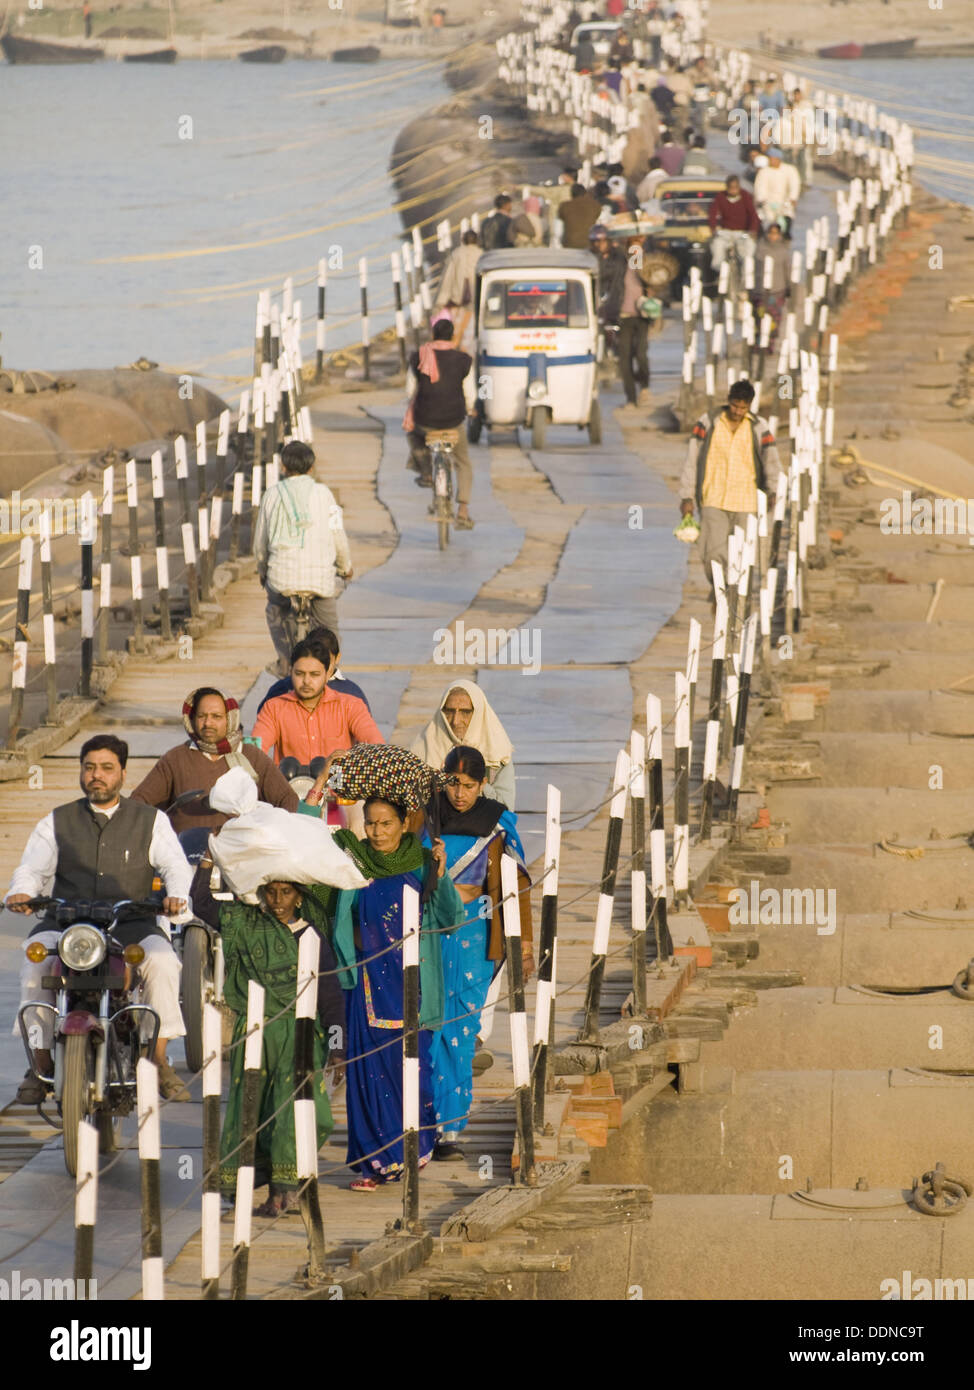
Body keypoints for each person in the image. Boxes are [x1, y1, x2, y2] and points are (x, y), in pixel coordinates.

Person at [6, 734, 193, 1102]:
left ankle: (158, 1059)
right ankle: (40, 1062)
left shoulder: (150, 820)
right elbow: (31, 868)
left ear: (123, 773)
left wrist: (176, 897)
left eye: (107, 768)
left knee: (163, 962)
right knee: (34, 965)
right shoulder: (56, 821)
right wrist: (22, 892)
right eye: (90, 767)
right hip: (65, 926)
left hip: (131, 925)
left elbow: (175, 865)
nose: (97, 776)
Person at [330, 797, 464, 1189]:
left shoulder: (423, 863)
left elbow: (450, 919)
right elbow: (336, 913)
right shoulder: (354, 863)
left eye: (386, 824)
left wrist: (440, 875)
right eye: (371, 824)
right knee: (368, 1074)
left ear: (404, 824)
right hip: (368, 983)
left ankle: (414, 1148)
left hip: (414, 987)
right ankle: (375, 1164)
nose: (377, 833)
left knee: (412, 1070)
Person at [428, 746, 533, 1155]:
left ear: (483, 783)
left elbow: (516, 885)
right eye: (452, 784)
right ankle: (424, 1121)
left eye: (469, 785)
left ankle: (451, 1126)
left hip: (475, 933)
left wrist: (523, 942)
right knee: (429, 1024)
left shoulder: (497, 823)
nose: (459, 794)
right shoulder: (425, 817)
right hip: (431, 931)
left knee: (462, 1028)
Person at [219, 880, 343, 1216]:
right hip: (256, 1035)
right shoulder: (250, 928)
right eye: (271, 892)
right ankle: (276, 1197)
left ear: (299, 897)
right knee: (256, 1113)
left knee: (300, 1112)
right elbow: (202, 905)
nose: (277, 900)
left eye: (286, 892)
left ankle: (291, 1188)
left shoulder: (311, 937)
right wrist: (206, 862)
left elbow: (331, 995)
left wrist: (337, 1048)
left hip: (299, 1037)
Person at [132, 687, 298, 834]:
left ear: (230, 719)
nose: (208, 723)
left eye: (216, 716)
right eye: (201, 716)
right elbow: (139, 802)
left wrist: (275, 833)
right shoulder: (175, 759)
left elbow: (287, 799)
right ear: (192, 719)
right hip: (187, 856)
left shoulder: (251, 756)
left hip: (241, 855)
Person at [253, 439, 352, 674]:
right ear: (311, 467)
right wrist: (345, 566)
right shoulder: (325, 494)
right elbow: (338, 536)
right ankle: (332, 669)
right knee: (328, 625)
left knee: (275, 609)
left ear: (283, 467)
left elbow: (260, 543)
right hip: (320, 581)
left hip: (281, 579)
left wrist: (262, 569)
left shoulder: (271, 495)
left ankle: (285, 661)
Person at [679, 379, 782, 602]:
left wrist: (774, 491)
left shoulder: (759, 428)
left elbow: (772, 462)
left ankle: (733, 602)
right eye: (735, 406)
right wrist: (686, 496)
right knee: (712, 554)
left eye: (743, 408)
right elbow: (691, 460)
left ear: (750, 406)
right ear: (729, 401)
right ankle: (720, 590)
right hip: (713, 498)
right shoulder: (708, 423)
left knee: (743, 558)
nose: (738, 411)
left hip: (747, 502)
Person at [252, 632, 384, 768]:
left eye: (314, 674)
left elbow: (376, 745)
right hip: (290, 787)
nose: (306, 681)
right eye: (299, 674)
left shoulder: (351, 705)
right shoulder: (273, 708)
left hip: (337, 785)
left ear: (327, 675)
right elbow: (254, 751)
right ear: (291, 672)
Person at [404, 315, 477, 529]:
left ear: (433, 335)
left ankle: (427, 472)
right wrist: (470, 408)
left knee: (413, 435)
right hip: (453, 420)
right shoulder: (463, 359)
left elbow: (409, 391)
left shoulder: (419, 356)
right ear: (452, 336)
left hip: (425, 419)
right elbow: (471, 392)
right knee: (463, 461)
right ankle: (463, 509)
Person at [410, 678, 517, 809]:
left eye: (465, 712)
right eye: (449, 711)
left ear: (478, 713)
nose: (455, 721)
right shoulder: (423, 749)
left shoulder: (497, 755)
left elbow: (506, 808)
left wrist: (473, 772)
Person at [257, 626, 371, 717]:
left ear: (337, 658)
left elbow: (367, 739)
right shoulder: (283, 689)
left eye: (327, 661)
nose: (307, 681)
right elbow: (262, 721)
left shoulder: (352, 694)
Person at [616, 237, 657, 409]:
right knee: (625, 359)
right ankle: (631, 398)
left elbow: (658, 283)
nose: (636, 249)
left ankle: (644, 388)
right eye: (633, 244)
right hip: (623, 316)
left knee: (641, 354)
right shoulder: (618, 263)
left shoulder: (648, 266)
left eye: (639, 245)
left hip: (642, 315)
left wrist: (652, 287)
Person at [435, 229, 481, 352]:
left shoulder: (456, 254)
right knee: (470, 329)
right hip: (475, 297)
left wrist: (442, 299)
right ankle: (464, 354)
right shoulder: (481, 254)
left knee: (456, 327)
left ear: (463, 240)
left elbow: (448, 277)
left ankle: (454, 348)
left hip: (457, 298)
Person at [707, 175, 759, 272]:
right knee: (717, 244)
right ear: (727, 187)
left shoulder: (745, 196)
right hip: (726, 232)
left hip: (742, 232)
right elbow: (712, 213)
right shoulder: (720, 196)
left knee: (749, 247)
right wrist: (713, 228)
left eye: (736, 188)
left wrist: (753, 230)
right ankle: (719, 270)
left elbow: (753, 214)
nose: (734, 190)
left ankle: (746, 273)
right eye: (731, 188)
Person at [753, 147, 801, 236]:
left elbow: (794, 185)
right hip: (768, 203)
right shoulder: (764, 171)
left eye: (772, 158)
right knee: (765, 220)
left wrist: (792, 198)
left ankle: (785, 237)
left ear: (778, 159)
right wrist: (761, 199)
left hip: (784, 203)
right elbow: (760, 187)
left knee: (787, 218)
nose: (771, 161)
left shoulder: (790, 170)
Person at [558, 182, 603, 249]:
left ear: (571, 194)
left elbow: (561, 217)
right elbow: (597, 215)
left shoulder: (565, 205)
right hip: (589, 243)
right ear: (585, 193)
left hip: (569, 243)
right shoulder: (595, 205)